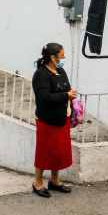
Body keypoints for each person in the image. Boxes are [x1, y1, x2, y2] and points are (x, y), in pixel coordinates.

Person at [31, 42, 76, 197]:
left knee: (58, 152)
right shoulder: (41, 75)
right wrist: (66, 95)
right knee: (44, 152)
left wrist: (71, 94)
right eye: (61, 56)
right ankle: (37, 183)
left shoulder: (60, 71)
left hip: (62, 119)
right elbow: (44, 98)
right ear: (52, 57)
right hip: (46, 120)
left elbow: (66, 88)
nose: (63, 59)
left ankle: (54, 181)